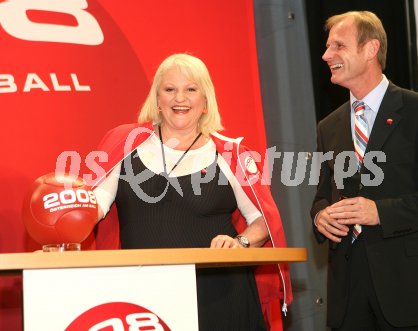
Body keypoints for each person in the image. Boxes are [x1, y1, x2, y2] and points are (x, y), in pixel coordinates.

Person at [90, 53, 292, 330]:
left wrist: (240, 243)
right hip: (144, 298)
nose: (179, 99)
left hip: (221, 297)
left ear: (205, 100)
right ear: (157, 99)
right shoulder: (124, 144)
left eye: (190, 89)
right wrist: (60, 220)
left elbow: (263, 221)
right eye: (170, 89)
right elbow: (92, 205)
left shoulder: (232, 155)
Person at [311, 11, 418, 331]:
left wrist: (379, 211)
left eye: (338, 46)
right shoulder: (329, 127)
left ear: (370, 49)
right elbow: (320, 196)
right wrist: (320, 216)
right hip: (348, 294)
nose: (327, 55)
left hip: (411, 293)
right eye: (327, 47)